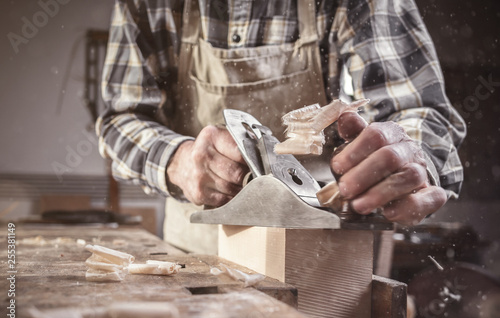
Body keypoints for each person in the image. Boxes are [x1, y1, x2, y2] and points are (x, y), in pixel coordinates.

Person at [97, 0, 465, 251]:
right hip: (199, 251)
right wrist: (179, 159)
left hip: (330, 254)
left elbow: (417, 107)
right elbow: (120, 117)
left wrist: (410, 156)